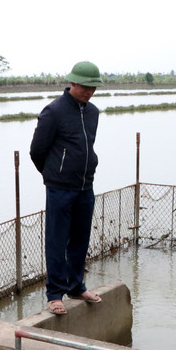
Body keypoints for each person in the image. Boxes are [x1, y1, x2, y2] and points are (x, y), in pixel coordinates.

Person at [29, 60, 105, 315]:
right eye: (85, 86)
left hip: (85, 185)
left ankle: (75, 285)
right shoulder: (54, 111)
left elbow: (87, 147)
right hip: (60, 187)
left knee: (80, 238)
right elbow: (37, 151)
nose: (89, 91)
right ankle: (54, 294)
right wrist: (54, 174)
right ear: (72, 82)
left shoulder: (93, 112)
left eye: (93, 87)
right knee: (57, 240)